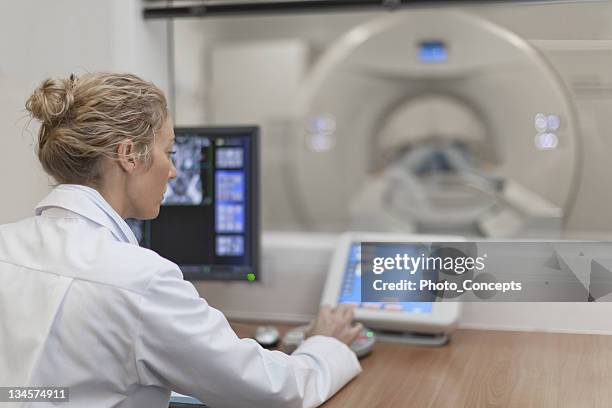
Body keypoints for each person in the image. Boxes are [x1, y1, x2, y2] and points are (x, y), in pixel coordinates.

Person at [0, 73, 362, 408]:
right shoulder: (140, 281)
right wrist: (325, 344)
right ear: (129, 156)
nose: (172, 171)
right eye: (169, 152)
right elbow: (275, 391)